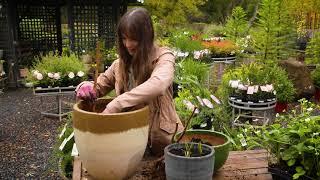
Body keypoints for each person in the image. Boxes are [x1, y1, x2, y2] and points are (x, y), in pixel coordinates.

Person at [76, 7, 184, 156]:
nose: (128, 44)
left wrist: (117, 103)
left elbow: (158, 84)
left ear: (146, 37)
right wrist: (86, 87)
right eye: (124, 38)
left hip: (161, 142)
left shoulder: (163, 57)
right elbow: (99, 85)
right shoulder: (119, 65)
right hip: (129, 141)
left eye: (133, 39)